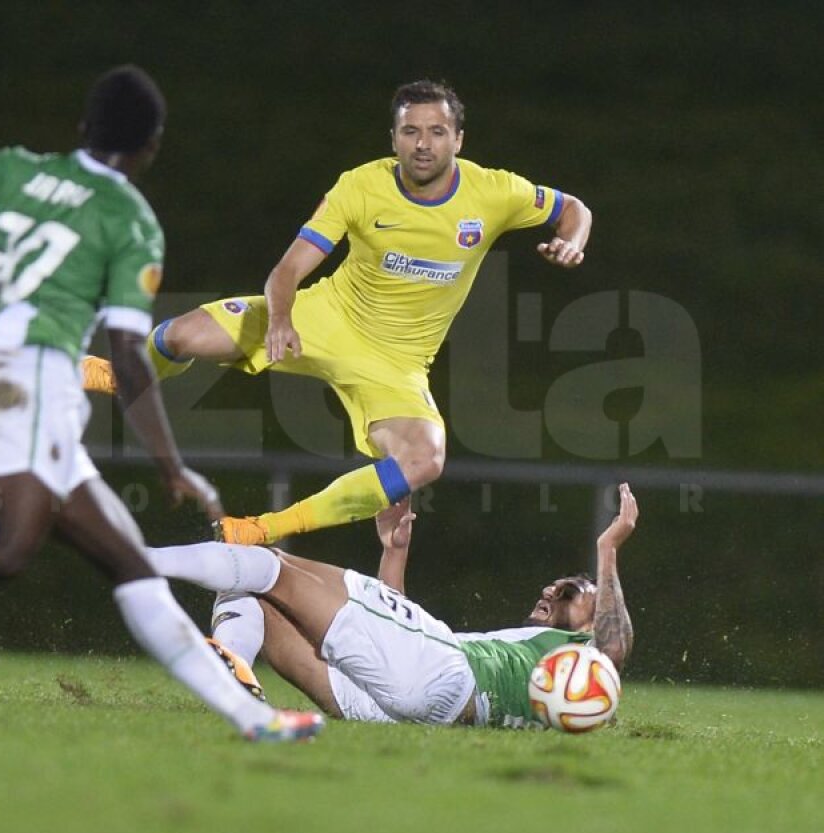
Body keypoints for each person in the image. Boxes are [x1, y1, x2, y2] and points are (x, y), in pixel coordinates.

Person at [0, 65, 322, 742]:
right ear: (150, 147)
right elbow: (128, 358)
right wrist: (169, 464)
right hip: (32, 387)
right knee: (7, 554)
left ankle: (255, 719)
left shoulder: (14, 168)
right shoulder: (130, 221)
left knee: (130, 565)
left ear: (82, 127)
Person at [82, 79, 593, 545]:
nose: (422, 143)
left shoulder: (494, 192)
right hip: (325, 318)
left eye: (437, 131)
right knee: (182, 335)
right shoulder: (360, 186)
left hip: (396, 364)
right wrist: (280, 320)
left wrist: (571, 242)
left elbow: (574, 208)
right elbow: (286, 271)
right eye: (409, 131)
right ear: (392, 139)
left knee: (425, 457)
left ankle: (263, 529)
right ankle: (122, 377)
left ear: (458, 139)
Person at [145, 483, 636, 728]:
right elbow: (390, 649)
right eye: (553, 587)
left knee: (265, 564)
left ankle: (131, 558)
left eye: (570, 592)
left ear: (591, 621)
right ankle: (236, 679)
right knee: (257, 596)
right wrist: (394, 553)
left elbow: (613, 646)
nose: (551, 592)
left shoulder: (586, 651)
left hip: (448, 674)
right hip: (409, 707)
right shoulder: (541, 665)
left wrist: (608, 551)